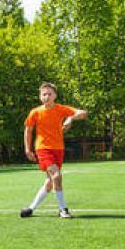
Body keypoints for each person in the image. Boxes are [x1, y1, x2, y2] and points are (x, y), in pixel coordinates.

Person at [20, 82, 88, 219]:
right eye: (44, 94)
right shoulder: (35, 112)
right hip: (43, 148)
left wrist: (70, 118)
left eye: (49, 94)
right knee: (57, 175)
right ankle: (63, 209)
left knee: (50, 182)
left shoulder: (61, 109)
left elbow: (83, 113)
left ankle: (31, 208)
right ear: (40, 97)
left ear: (55, 95)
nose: (46, 96)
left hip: (58, 148)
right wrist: (28, 149)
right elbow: (28, 130)